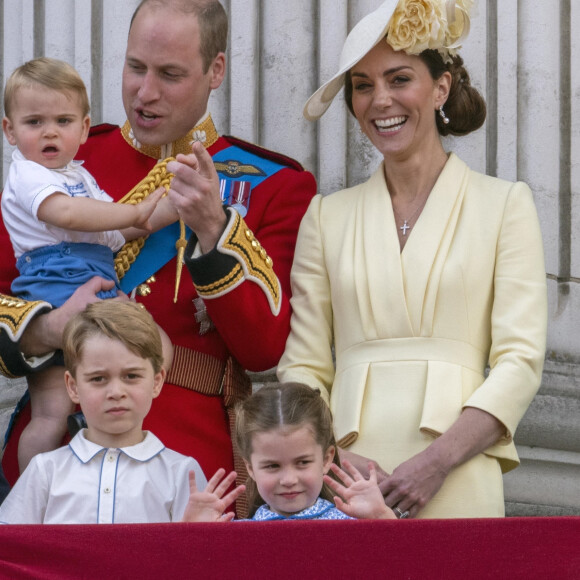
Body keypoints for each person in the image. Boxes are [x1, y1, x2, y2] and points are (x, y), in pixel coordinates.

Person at [0, 0, 316, 512]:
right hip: (63, 462)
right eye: (135, 68)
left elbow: (264, 350)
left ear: (215, 69)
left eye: (169, 74)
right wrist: (52, 327)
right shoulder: (62, 158)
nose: (145, 94)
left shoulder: (272, 185)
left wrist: (215, 227)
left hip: (193, 470)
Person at [277, 0, 547, 519]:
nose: (380, 100)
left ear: (440, 87)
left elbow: (520, 361)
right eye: (362, 85)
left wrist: (437, 461)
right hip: (349, 481)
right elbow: (304, 366)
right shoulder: (325, 216)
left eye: (399, 79)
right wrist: (334, 463)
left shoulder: (506, 204)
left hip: (461, 466)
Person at [1, 57, 175, 473]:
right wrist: (133, 212)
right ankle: (32, 503)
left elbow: (114, 236)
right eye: (34, 122)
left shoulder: (81, 177)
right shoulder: (26, 174)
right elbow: (69, 216)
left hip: (95, 275)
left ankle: (101, 421)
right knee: (47, 414)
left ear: (83, 128)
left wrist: (177, 205)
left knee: (159, 347)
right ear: (10, 130)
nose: (49, 132)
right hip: (53, 284)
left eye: (62, 120)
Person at [0, 301, 207, 524]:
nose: (116, 392)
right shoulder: (45, 471)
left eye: (131, 376)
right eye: (98, 379)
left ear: (157, 382)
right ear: (73, 387)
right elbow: (11, 551)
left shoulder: (182, 473)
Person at [182, 383, 396, 521]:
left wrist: (382, 518)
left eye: (302, 462)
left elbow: (402, 564)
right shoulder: (236, 535)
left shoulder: (354, 525)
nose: (288, 479)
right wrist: (194, 535)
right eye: (272, 466)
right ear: (250, 468)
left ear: (326, 458)